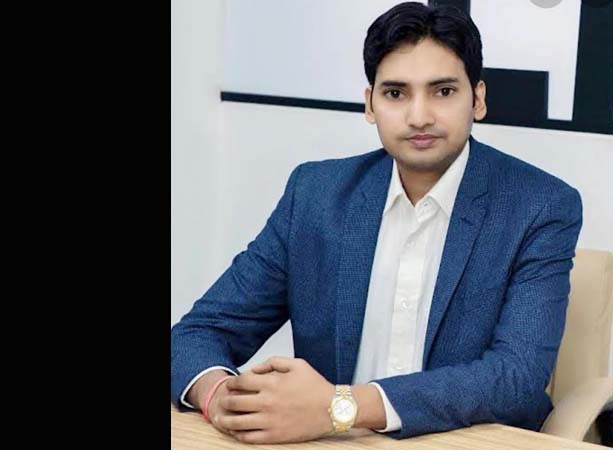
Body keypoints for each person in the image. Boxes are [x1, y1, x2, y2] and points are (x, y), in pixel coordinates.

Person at [171, 1, 582, 444]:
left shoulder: (540, 206)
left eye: (443, 91)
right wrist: (220, 397)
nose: (419, 116)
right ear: (370, 103)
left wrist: (341, 407)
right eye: (395, 93)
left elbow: (515, 377)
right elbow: (197, 333)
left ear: (477, 99)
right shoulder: (316, 196)